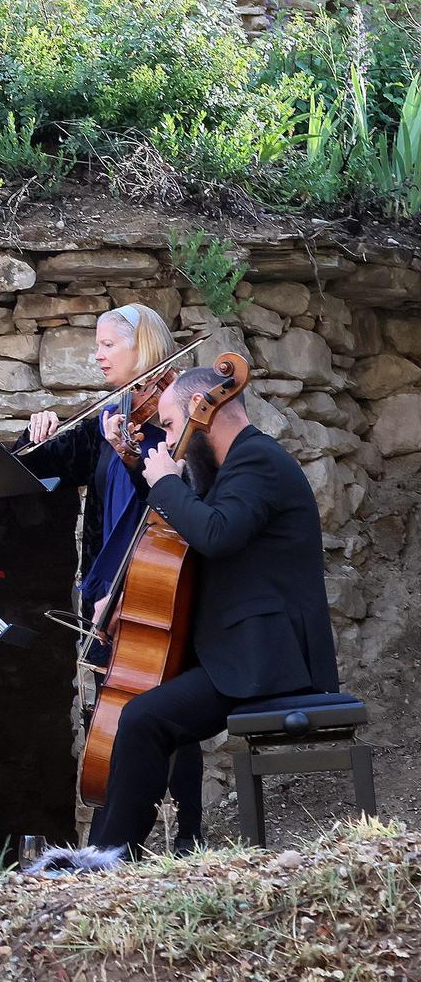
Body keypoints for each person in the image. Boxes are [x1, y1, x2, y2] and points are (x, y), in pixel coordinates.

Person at [87, 363, 339, 856]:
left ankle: (110, 857)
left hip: (268, 658)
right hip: (235, 651)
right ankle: (112, 853)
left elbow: (216, 535)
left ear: (209, 414)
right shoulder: (227, 472)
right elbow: (189, 550)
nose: (171, 441)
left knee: (143, 718)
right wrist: (125, 600)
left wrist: (165, 483)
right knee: (142, 716)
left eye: (174, 426)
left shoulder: (259, 462)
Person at [21, 302, 204, 851]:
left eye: (108, 345)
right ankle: (122, 842)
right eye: (96, 344)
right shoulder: (106, 418)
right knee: (114, 706)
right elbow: (37, 465)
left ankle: (186, 838)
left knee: (170, 712)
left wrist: (134, 454)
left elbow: (178, 495)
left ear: (142, 347)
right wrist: (37, 434)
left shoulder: (179, 416)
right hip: (106, 590)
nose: (96, 355)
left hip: (161, 587)